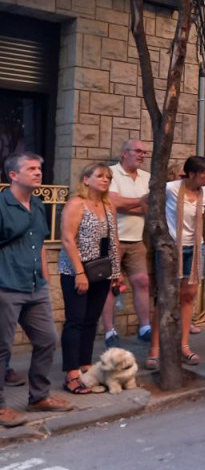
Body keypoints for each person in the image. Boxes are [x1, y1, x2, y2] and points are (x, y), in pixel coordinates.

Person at [0, 153, 73, 426]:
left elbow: (40, 242)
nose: (37, 172)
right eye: (30, 168)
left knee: (46, 340)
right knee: (2, 348)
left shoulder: (39, 204)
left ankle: (39, 397)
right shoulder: (2, 204)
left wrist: (45, 276)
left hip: (35, 287)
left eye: (39, 168)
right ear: (13, 175)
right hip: (5, 285)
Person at [59, 163, 121, 395]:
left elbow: (113, 240)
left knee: (91, 319)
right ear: (86, 179)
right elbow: (67, 240)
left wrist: (116, 272)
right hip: (77, 270)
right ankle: (71, 372)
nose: (105, 179)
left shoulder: (107, 205)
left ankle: (85, 365)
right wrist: (79, 272)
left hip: (101, 271)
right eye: (100, 176)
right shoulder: (76, 204)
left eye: (108, 176)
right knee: (75, 319)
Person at [164, 156, 205, 366]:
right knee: (165, 297)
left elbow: (204, 216)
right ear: (192, 174)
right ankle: (157, 348)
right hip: (172, 246)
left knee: (188, 296)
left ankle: (184, 345)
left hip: (195, 247)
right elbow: (149, 204)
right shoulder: (170, 188)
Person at [103, 139, 152, 349]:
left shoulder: (147, 177)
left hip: (137, 239)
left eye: (144, 152)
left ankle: (145, 328)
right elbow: (112, 203)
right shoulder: (110, 173)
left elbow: (149, 207)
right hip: (112, 239)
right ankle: (109, 330)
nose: (142, 155)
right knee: (111, 285)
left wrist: (127, 204)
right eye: (138, 151)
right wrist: (140, 202)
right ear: (125, 153)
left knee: (142, 281)